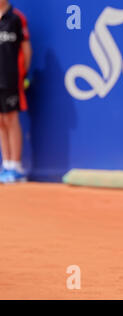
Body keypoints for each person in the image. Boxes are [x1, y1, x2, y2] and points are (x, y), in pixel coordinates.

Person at [0, 0, 31, 183]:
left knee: (11, 119)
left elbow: (26, 49)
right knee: (0, 121)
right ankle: (6, 164)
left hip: (11, 79)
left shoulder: (17, 18)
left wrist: (22, 73)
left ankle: (16, 166)